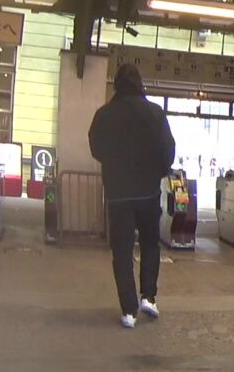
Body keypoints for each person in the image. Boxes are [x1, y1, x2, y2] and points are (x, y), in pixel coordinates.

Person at [89, 63, 175, 329]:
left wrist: (115, 167)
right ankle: (148, 297)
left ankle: (128, 311)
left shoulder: (104, 114)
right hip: (148, 192)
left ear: (117, 84)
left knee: (122, 251)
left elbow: (96, 148)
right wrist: (159, 171)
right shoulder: (155, 113)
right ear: (140, 84)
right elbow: (168, 149)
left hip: (118, 195)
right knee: (150, 244)